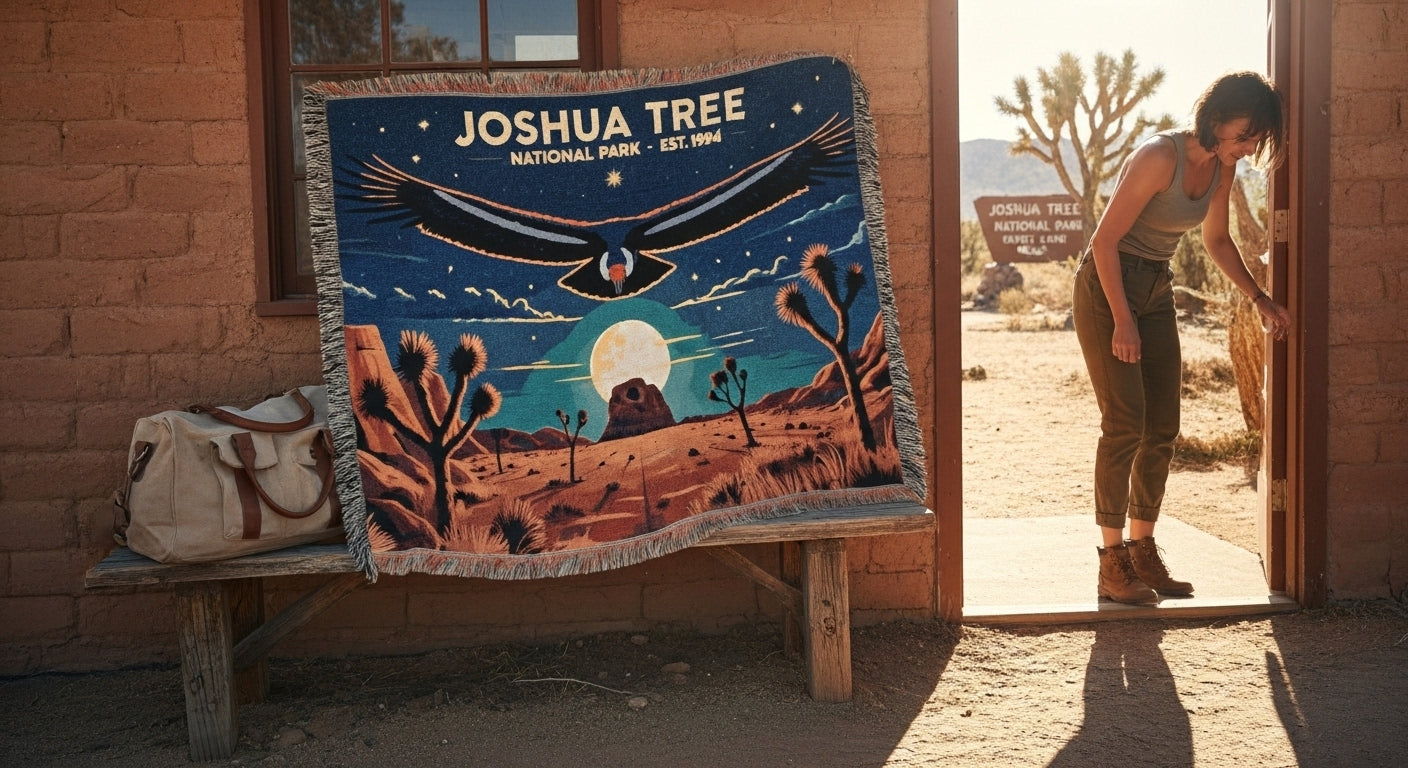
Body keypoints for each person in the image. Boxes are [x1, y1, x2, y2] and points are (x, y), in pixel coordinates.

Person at [1072, 71, 1292, 605]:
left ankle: (1143, 550)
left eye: (1257, 139)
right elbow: (1104, 242)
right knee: (1125, 422)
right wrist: (1123, 320)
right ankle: (1111, 564)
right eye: (1246, 135)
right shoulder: (1158, 157)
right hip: (1108, 286)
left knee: (1163, 427)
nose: (1249, 147)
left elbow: (1217, 240)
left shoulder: (1222, 167)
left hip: (1156, 285)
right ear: (1216, 118)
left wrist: (1259, 298)